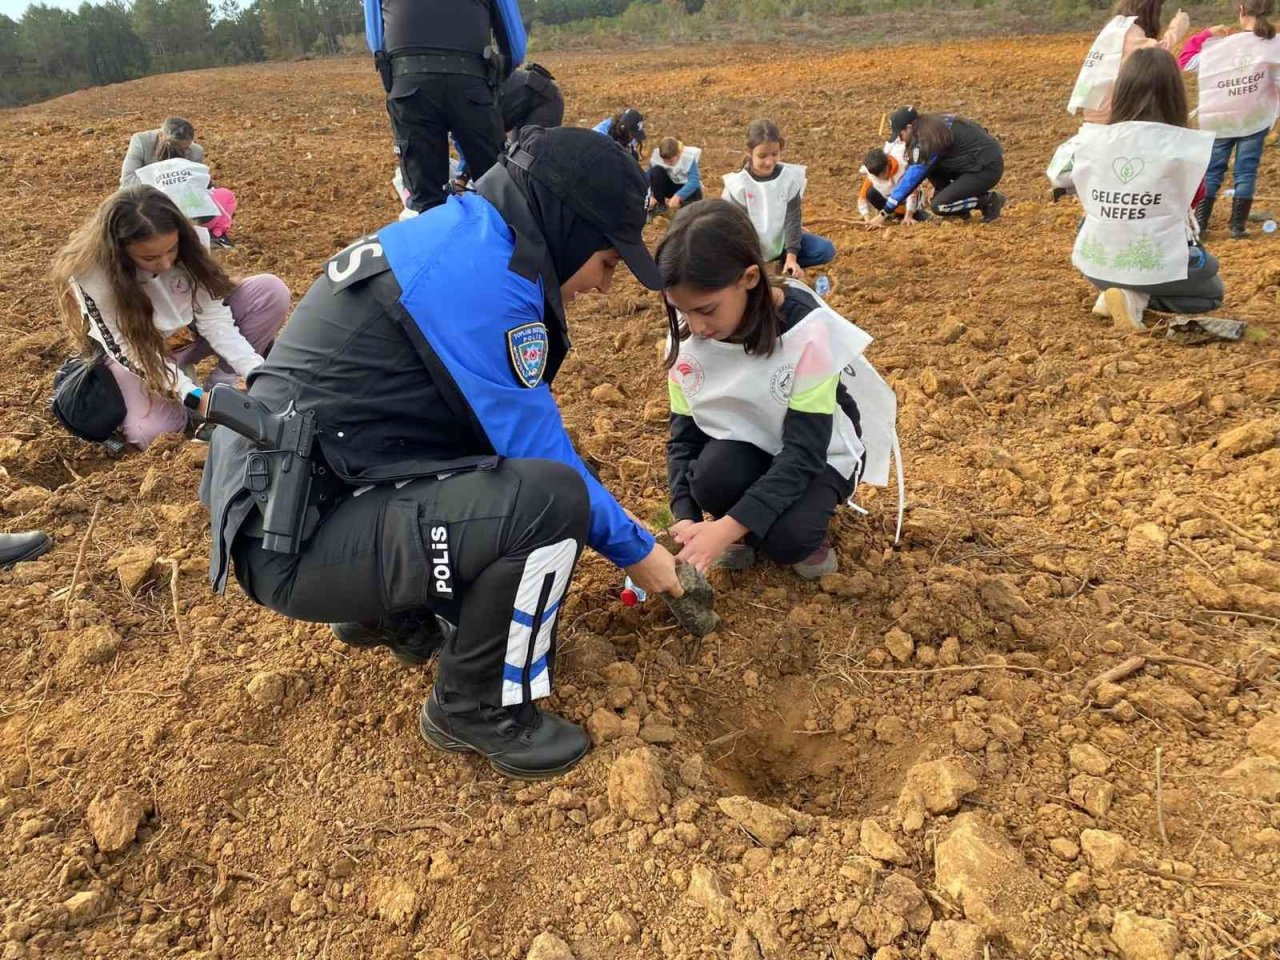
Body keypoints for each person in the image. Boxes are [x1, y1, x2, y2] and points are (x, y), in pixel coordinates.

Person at [199, 127, 684, 780]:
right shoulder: (486, 279)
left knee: (523, 480)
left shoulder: (465, 233)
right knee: (552, 501)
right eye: (604, 262)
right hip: (295, 541)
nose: (601, 286)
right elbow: (544, 462)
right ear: (569, 227)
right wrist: (641, 551)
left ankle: (382, 610)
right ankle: (475, 705)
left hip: (297, 507)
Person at [660, 201, 899, 580]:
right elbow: (683, 440)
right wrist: (687, 518)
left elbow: (805, 452)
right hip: (753, 445)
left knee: (790, 540)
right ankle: (747, 523)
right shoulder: (690, 344)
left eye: (706, 309)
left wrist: (725, 528)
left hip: (820, 456)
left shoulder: (807, 335)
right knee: (708, 477)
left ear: (750, 278)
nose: (696, 326)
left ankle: (782, 526)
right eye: (682, 311)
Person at [51, 186, 290, 450]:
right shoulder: (91, 275)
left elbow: (213, 318)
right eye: (149, 257)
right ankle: (186, 403)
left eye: (171, 250)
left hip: (189, 336)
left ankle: (223, 385)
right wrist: (191, 395)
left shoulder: (190, 247)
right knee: (152, 434)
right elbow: (128, 350)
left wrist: (254, 371)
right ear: (120, 251)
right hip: (142, 355)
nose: (165, 263)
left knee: (269, 291)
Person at [1049, 48, 1222, 334]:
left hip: (1096, 263)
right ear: (1175, 95)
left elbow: (1058, 174)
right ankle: (1135, 296)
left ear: (1122, 92)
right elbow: (1195, 197)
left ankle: (1114, 293)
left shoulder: (1093, 140)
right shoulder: (1184, 147)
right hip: (1155, 262)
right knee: (1211, 287)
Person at [363, 0, 526, 212]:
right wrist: (493, 82)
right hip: (471, 83)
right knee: (500, 194)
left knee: (427, 204)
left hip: (410, 85)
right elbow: (515, 48)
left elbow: (377, 43)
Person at [1179, 0, 1280, 238]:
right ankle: (1238, 228)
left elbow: (1186, 61)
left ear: (1242, 10)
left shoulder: (1220, 47)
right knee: (1246, 172)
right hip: (1254, 119)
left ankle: (1200, 225)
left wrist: (1204, 34)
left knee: (1212, 171)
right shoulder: (1275, 44)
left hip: (1220, 119)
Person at [722, 119, 835, 277]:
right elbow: (735, 229)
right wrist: (758, 261)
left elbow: (792, 218)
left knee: (824, 250)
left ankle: (783, 265)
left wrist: (792, 256)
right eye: (762, 156)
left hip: (780, 242)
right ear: (749, 152)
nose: (769, 162)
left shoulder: (789, 179)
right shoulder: (738, 186)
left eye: (774, 154)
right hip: (750, 248)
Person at [868, 107, 1006, 227]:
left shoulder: (927, 139)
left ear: (909, 128)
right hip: (976, 162)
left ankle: (988, 201)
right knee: (931, 168)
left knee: (939, 205)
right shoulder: (929, 125)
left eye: (900, 134)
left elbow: (912, 178)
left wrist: (884, 212)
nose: (900, 139)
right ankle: (960, 210)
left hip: (986, 168)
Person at [120, 118, 236, 248]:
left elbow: (197, 187)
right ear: (161, 135)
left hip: (179, 204)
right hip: (142, 199)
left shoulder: (195, 151)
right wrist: (163, 182)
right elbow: (128, 180)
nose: (181, 152)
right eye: (174, 146)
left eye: (185, 148)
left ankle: (212, 235)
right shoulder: (142, 141)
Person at [1068, 1, 1192, 123]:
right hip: (1109, 114)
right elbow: (1152, 54)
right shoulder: (1129, 31)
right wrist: (1176, 30)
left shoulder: (1116, 27)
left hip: (1096, 108)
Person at [857, 146, 929, 224]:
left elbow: (913, 193)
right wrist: (866, 217)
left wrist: (908, 215)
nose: (882, 178)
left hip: (906, 201)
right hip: (890, 203)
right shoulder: (872, 172)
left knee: (920, 216)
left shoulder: (902, 169)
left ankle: (912, 214)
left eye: (884, 173)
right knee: (871, 192)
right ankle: (891, 215)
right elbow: (862, 197)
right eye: (877, 176)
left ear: (887, 164)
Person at [648, 137, 703, 214]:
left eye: (671, 161)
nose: (667, 163)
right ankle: (660, 204)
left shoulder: (688, 157)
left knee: (694, 195)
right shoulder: (657, 157)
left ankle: (686, 208)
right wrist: (650, 195)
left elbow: (694, 181)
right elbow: (648, 177)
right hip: (671, 185)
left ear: (679, 154)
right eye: (665, 161)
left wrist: (679, 196)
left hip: (687, 187)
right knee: (656, 171)